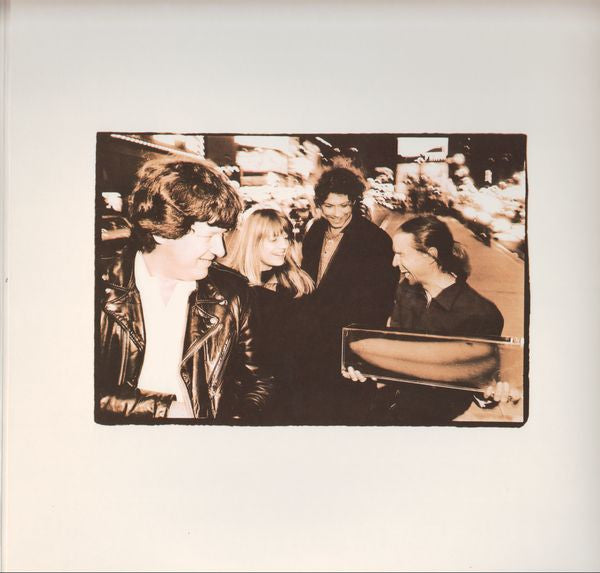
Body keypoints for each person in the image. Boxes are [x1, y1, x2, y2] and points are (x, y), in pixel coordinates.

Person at [95, 155, 274, 423]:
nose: (220, 250)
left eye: (222, 235)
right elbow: (69, 390)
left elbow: (259, 382)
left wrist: (231, 428)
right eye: (208, 236)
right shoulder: (97, 289)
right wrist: (162, 409)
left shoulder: (232, 293)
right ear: (162, 231)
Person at [344, 215, 516, 424]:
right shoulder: (406, 290)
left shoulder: (480, 314)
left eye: (401, 254)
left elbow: (481, 378)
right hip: (386, 407)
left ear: (430, 255)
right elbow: (394, 348)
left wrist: (490, 394)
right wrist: (365, 369)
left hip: (431, 421)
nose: (394, 262)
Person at [300, 167, 398, 423]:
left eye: (344, 205)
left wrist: (362, 353)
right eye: (329, 206)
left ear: (354, 201)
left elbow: (382, 304)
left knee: (350, 414)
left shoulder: (375, 240)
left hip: (350, 350)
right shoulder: (314, 232)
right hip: (313, 346)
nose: (337, 213)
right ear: (319, 204)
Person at [225, 207, 314, 423]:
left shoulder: (297, 283)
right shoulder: (231, 289)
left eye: (286, 238)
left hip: (293, 399)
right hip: (247, 401)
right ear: (253, 241)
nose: (284, 245)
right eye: (274, 240)